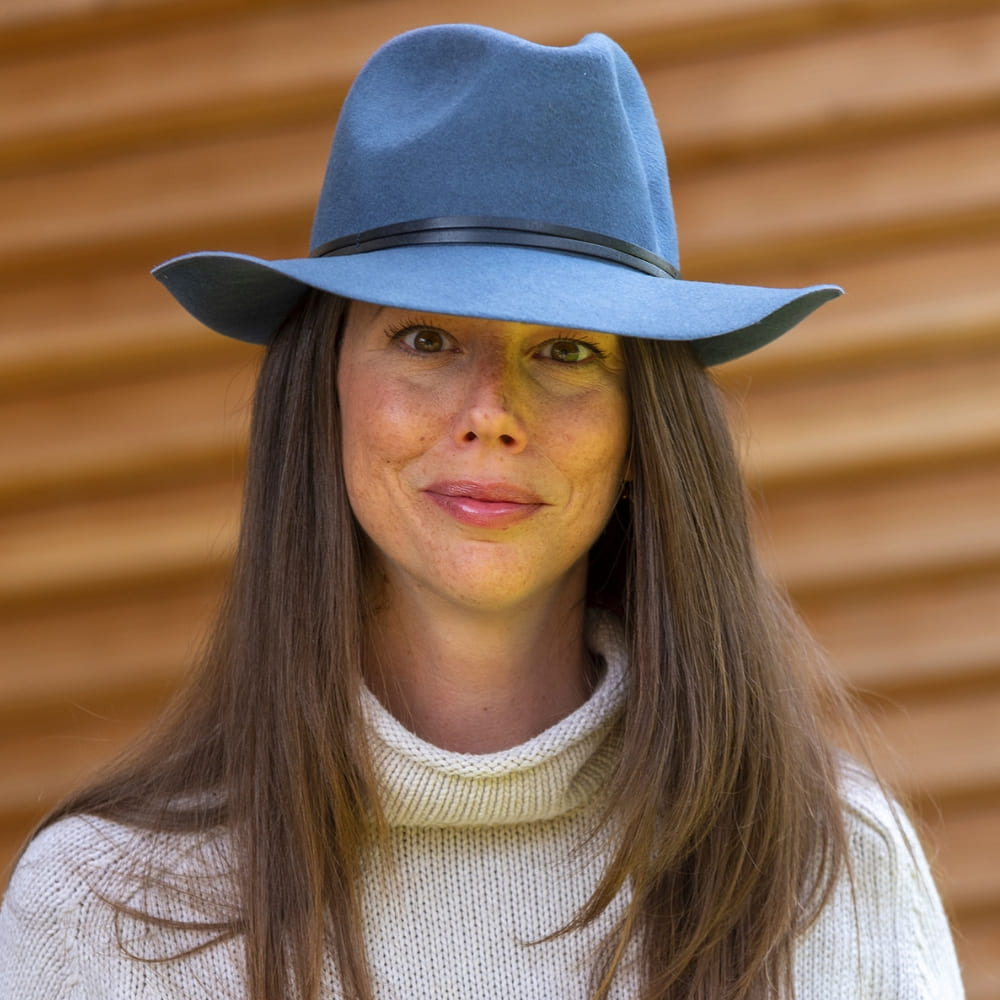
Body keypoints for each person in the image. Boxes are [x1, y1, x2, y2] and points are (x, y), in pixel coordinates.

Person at [0, 23, 963, 1000]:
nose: (491, 413)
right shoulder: (99, 913)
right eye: (425, 338)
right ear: (321, 394)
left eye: (567, 350)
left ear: (643, 434)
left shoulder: (832, 874)